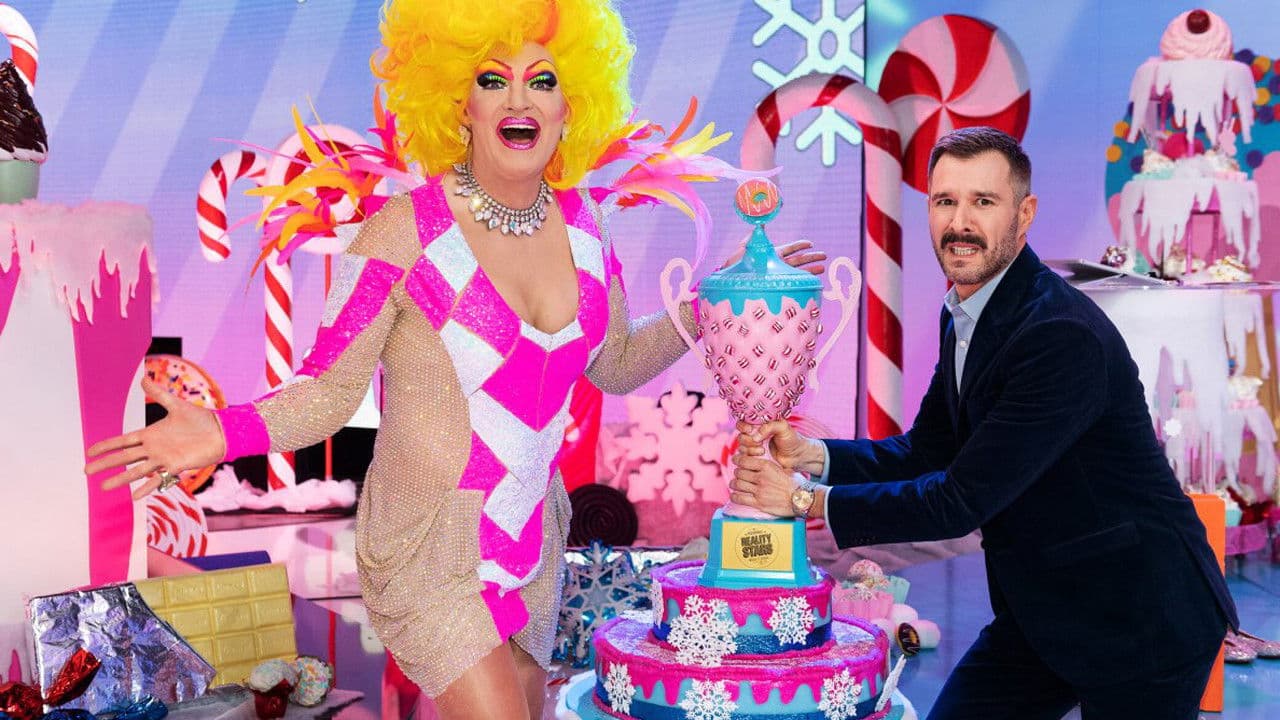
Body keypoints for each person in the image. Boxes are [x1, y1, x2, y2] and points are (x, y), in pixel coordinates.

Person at [83, 2, 824, 718]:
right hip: (429, 545)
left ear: (571, 104)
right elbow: (327, 391)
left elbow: (616, 363)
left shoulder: (586, 225)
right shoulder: (401, 232)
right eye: (492, 78)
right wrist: (221, 430)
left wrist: (716, 301)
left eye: (543, 79)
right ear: (457, 103)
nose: (519, 99)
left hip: (534, 543)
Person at [730, 126, 1237, 720]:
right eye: (945, 201)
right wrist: (814, 456)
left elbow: (960, 501)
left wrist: (803, 500)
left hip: (1142, 616)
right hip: (1041, 610)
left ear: (1024, 215)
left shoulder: (1059, 335)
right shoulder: (966, 312)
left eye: (983, 201)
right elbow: (928, 450)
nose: (960, 222)